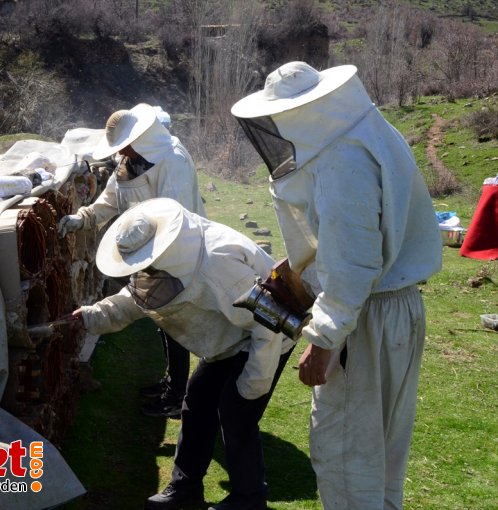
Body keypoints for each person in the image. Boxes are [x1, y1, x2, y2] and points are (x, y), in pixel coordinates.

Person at [231, 61, 442, 510]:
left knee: (347, 457)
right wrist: (304, 264)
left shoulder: (341, 160)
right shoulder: (370, 133)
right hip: (392, 307)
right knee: (380, 454)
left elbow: (353, 265)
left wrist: (323, 341)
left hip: (363, 316)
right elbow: (357, 237)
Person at [72, 197, 296, 510]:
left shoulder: (218, 264)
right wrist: (90, 317)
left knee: (236, 413)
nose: (142, 269)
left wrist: (252, 385)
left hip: (267, 337)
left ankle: (249, 500)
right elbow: (136, 299)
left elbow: (267, 325)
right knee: (198, 403)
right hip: (229, 339)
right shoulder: (164, 264)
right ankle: (185, 489)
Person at [59, 103, 206, 418]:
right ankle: (172, 383)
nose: (120, 151)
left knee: (175, 320)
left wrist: (158, 260)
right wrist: (83, 218)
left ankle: (178, 397)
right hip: (147, 252)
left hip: (177, 253)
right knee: (162, 319)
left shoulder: (172, 161)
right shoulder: (130, 161)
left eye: (124, 144)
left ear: (140, 138)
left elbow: (175, 217)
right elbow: (111, 199)